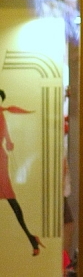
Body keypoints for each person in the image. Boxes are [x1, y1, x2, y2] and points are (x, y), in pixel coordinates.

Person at [0, 91, 41, 254]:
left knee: (11, 198)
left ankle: (32, 239)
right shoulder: (2, 115)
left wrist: (9, 143)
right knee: (11, 200)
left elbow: (7, 139)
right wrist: (9, 143)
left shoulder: (1, 115)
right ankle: (32, 239)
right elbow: (8, 140)